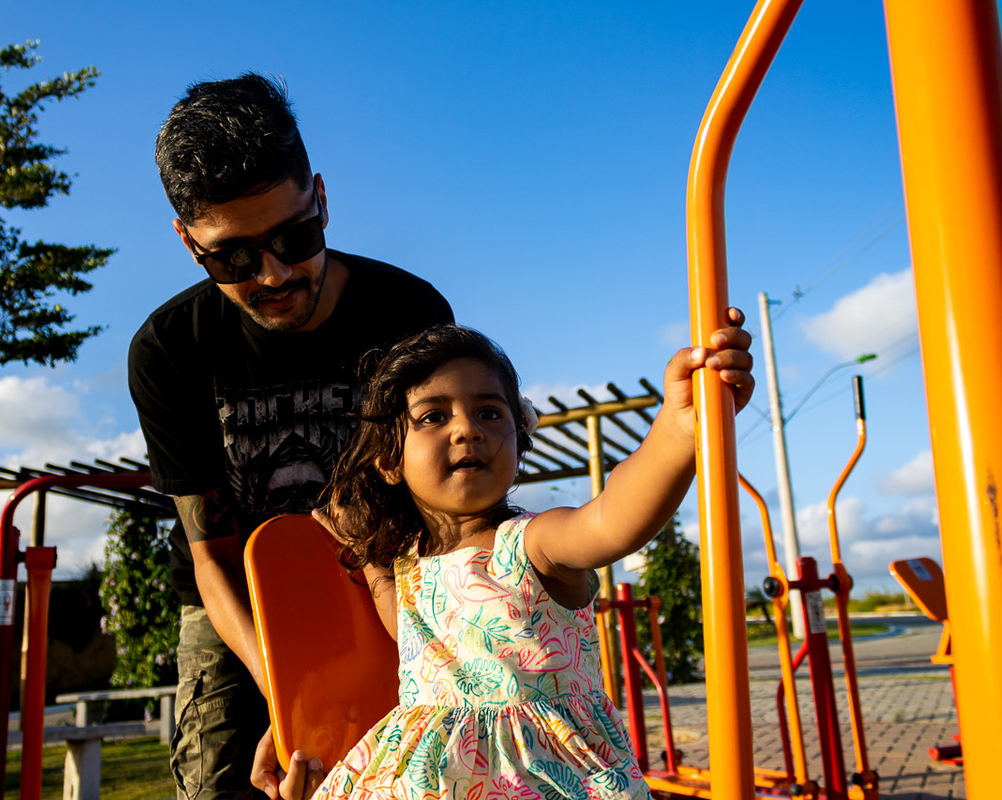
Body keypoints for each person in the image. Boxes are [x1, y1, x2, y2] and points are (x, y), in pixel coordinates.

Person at [128, 72, 454, 800]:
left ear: (324, 200)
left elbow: (452, 509)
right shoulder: (167, 351)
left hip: (388, 576)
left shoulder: (410, 312)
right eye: (234, 258)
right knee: (222, 784)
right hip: (238, 605)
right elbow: (210, 561)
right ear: (188, 244)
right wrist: (287, 694)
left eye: (294, 237)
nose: (273, 274)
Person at [314, 319, 753, 799]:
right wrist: (367, 553)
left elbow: (612, 520)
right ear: (389, 461)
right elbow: (405, 627)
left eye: (489, 412)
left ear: (519, 438)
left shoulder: (533, 543)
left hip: (539, 780)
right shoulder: (408, 563)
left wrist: (678, 428)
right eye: (434, 416)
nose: (467, 429)